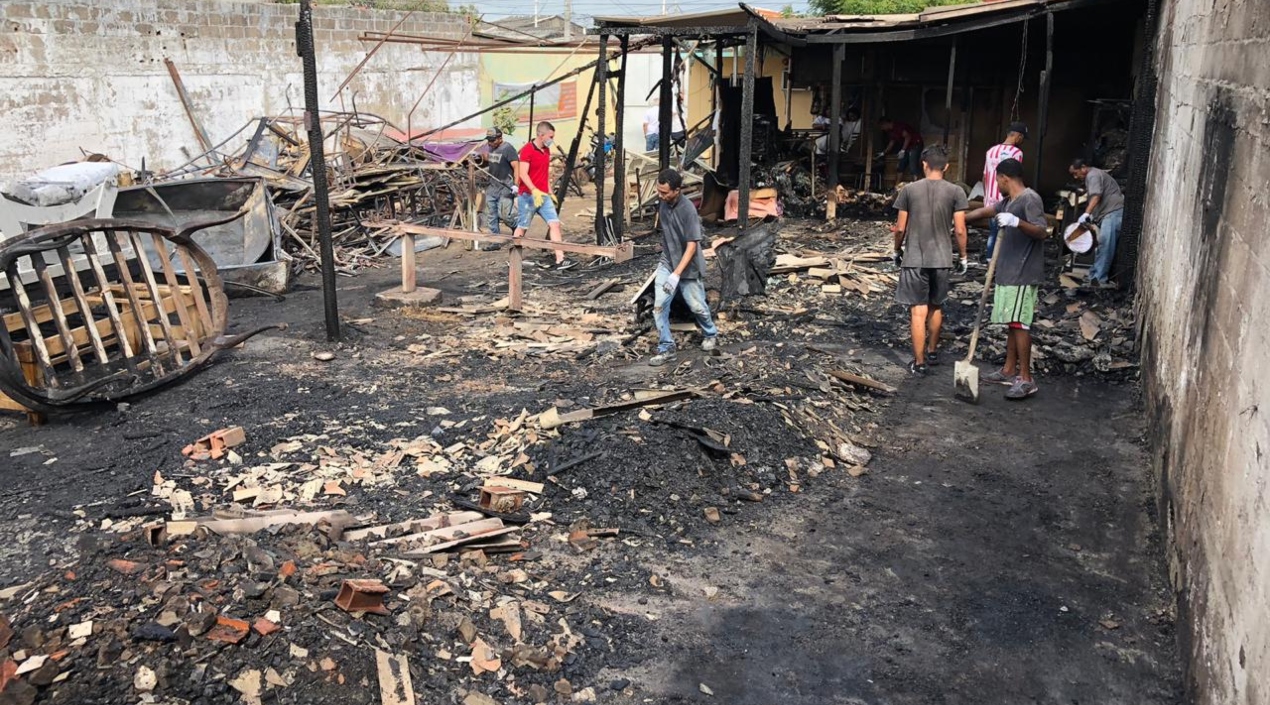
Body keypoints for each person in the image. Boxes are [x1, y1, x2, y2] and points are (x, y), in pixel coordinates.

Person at [964, 158, 1049, 400]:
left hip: (1023, 271)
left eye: (997, 180)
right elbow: (986, 210)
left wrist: (1017, 222)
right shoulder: (1008, 201)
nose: (997, 184)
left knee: (1020, 324)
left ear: (1004, 178)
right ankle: (1009, 369)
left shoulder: (1030, 199)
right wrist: (960, 218)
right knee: (1012, 322)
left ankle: (1026, 378)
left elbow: (1041, 231)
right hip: (1009, 270)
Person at [891, 145, 969, 376]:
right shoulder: (956, 192)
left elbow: (900, 228)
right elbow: (961, 229)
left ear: (924, 164)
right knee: (936, 306)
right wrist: (963, 256)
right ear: (946, 166)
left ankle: (920, 362)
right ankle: (933, 350)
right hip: (942, 258)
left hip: (915, 258)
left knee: (918, 311)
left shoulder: (909, 190)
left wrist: (896, 250)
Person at [649, 168, 717, 366]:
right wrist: (668, 267)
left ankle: (710, 332)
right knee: (659, 306)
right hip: (668, 261)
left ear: (677, 190)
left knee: (696, 305)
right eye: (658, 191)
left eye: (664, 192)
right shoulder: (663, 204)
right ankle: (666, 348)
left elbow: (692, 245)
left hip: (688, 266)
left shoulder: (688, 210)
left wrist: (677, 274)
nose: (660, 196)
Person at [514, 121, 573, 269]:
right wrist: (534, 190)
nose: (552, 139)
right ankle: (514, 258)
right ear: (541, 135)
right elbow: (522, 174)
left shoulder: (546, 150)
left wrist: (550, 192)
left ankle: (560, 258)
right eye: (550, 136)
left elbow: (544, 174)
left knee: (555, 224)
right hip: (528, 196)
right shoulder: (527, 150)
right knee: (522, 227)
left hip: (543, 196)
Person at [1068, 158, 1125, 286]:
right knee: (1102, 245)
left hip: (1112, 213)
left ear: (1083, 167)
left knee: (1105, 245)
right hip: (1109, 213)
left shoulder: (1092, 175)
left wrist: (1087, 213)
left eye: (1076, 173)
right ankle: (1094, 274)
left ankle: (1099, 278)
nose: (1076, 177)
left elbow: (1096, 196)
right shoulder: (1094, 175)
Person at [981, 122, 1027, 263]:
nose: (1022, 141)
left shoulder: (991, 151)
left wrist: (986, 195)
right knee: (1006, 234)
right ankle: (998, 262)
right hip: (1006, 200)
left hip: (989, 199)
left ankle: (990, 260)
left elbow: (984, 177)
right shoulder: (1017, 153)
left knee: (993, 232)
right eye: (1023, 137)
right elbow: (1014, 177)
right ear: (1018, 136)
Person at [482, 127, 518, 239]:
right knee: (491, 215)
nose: (490, 142)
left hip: (506, 186)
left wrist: (516, 185)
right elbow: (489, 159)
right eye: (488, 140)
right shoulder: (490, 147)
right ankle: (495, 241)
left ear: (500, 138)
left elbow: (517, 167)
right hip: (493, 186)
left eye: (492, 140)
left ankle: (517, 228)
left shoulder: (508, 148)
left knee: (506, 216)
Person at [875, 116, 924, 181]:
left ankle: (916, 185)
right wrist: (883, 152)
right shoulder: (891, 131)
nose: (882, 129)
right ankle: (897, 187)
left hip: (915, 145)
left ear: (885, 123)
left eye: (882, 126)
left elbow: (908, 137)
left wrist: (903, 150)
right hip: (907, 147)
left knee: (913, 167)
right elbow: (891, 142)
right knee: (900, 167)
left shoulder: (898, 126)